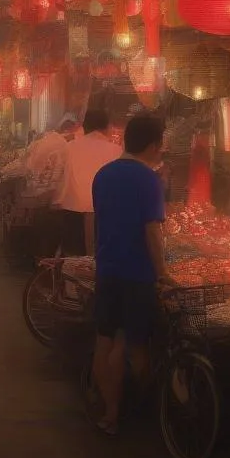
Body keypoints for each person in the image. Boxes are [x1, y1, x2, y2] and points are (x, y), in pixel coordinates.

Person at [90, 115, 170, 435]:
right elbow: (152, 233)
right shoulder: (149, 180)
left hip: (107, 268)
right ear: (152, 146)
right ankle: (144, 410)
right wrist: (163, 273)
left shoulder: (103, 175)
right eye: (161, 145)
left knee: (105, 341)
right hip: (137, 274)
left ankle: (110, 413)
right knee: (136, 347)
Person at [55, 109, 120, 256]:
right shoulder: (116, 150)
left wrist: (57, 200)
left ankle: (70, 279)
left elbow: (60, 177)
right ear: (106, 127)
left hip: (72, 210)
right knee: (100, 256)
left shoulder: (70, 147)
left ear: (84, 127)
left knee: (73, 258)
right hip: (104, 213)